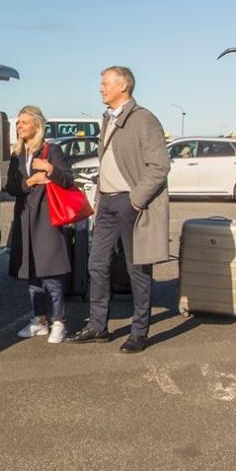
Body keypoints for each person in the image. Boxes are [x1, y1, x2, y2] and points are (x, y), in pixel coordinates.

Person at [67, 66, 170, 353]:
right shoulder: (107, 118)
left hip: (131, 202)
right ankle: (98, 326)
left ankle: (139, 332)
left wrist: (136, 199)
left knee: (136, 268)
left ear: (122, 86)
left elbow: (160, 165)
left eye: (105, 83)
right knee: (96, 265)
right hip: (108, 203)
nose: (100, 88)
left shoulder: (144, 119)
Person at [6, 106, 74, 344]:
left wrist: (50, 169)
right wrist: (30, 181)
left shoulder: (51, 150)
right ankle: (40, 320)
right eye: (18, 123)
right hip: (25, 218)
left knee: (50, 274)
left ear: (37, 125)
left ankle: (59, 321)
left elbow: (68, 180)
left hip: (47, 218)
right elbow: (11, 188)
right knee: (31, 274)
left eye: (24, 122)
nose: (19, 126)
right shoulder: (17, 154)